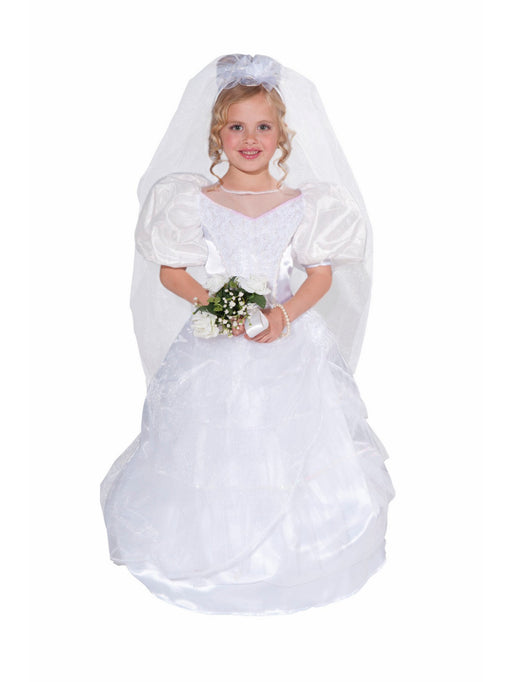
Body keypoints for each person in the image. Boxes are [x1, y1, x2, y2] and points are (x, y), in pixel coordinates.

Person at [100, 54, 395, 616]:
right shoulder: (193, 199)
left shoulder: (305, 204)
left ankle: (292, 558)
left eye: (263, 126)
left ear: (282, 134)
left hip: (289, 343)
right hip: (216, 342)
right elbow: (172, 272)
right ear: (218, 134)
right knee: (212, 446)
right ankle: (214, 552)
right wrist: (220, 306)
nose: (250, 139)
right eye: (236, 127)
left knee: (295, 441)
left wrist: (282, 315)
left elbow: (321, 275)